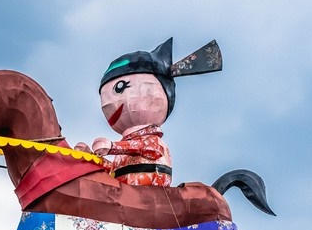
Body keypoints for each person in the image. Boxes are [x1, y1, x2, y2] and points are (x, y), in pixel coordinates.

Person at [77, 38, 222, 187]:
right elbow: (115, 170)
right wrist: (89, 157)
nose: (108, 104)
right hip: (125, 192)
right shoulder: (126, 147)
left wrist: (113, 147)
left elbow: (151, 150)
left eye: (120, 88)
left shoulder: (151, 141)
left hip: (149, 192)